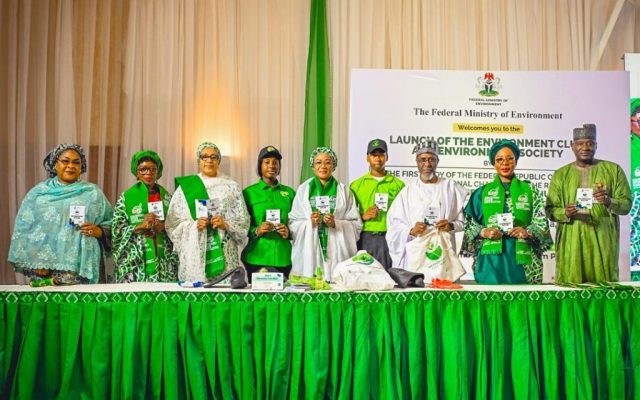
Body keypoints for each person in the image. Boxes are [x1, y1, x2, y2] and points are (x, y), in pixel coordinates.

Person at [8, 144, 113, 284]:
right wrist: (36, 260)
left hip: (83, 268)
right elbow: (25, 230)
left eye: (76, 162)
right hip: (46, 270)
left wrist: (99, 231)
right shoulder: (39, 194)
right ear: (55, 164)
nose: (71, 166)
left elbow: (113, 224)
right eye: (65, 161)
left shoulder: (93, 193)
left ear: (81, 167)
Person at [546, 124, 632, 284]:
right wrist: (565, 212)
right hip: (572, 241)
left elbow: (626, 205)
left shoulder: (613, 170)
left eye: (590, 143)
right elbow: (550, 210)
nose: (585, 147)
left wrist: (609, 201)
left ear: (596, 145)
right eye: (580, 143)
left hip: (603, 240)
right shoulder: (561, 174)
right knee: (572, 287)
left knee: (604, 287)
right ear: (572, 146)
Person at [461, 140, 552, 284]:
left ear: (516, 161)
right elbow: (468, 226)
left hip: (523, 260)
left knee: (523, 298)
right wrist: (484, 232)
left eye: (510, 159)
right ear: (493, 163)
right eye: (500, 160)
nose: (505, 163)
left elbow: (541, 222)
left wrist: (527, 232)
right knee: (491, 297)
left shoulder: (531, 191)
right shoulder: (481, 193)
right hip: (490, 260)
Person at [165, 142, 249, 282]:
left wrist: (225, 224)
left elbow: (243, 221)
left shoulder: (231, 187)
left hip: (225, 253)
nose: (209, 160)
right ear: (199, 160)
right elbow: (173, 223)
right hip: (197, 254)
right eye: (204, 157)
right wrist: (194, 225)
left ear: (219, 160)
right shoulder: (185, 189)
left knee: (225, 291)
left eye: (213, 157)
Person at [386, 140, 468, 269]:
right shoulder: (407, 192)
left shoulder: (451, 189)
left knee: (443, 281)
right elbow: (394, 226)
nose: (427, 164)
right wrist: (411, 231)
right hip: (417, 256)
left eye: (431, 159)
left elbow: (464, 223)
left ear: (437, 162)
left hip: (443, 257)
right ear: (417, 162)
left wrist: (451, 225)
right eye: (423, 160)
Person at [289, 147, 362, 281]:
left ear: (333, 166)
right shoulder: (303, 190)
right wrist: (309, 222)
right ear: (313, 166)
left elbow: (356, 224)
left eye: (327, 162)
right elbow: (293, 222)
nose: (323, 166)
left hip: (338, 252)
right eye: (318, 162)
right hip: (310, 252)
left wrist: (336, 223)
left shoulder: (344, 190)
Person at [112, 150, 179, 282]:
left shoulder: (167, 197)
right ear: (136, 172)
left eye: (153, 169)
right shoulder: (126, 198)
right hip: (136, 262)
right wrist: (139, 227)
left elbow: (178, 225)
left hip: (163, 261)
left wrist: (164, 226)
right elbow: (116, 232)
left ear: (158, 172)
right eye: (143, 169)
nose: (148, 172)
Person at [241, 146, 295, 280]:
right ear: (260, 166)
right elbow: (240, 224)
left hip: (283, 257)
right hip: (256, 256)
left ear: (279, 166)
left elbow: (297, 222)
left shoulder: (290, 193)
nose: (271, 165)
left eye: (275, 162)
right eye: (267, 162)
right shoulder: (248, 193)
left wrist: (289, 232)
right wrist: (256, 230)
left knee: (283, 293)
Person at [349, 139, 405, 269]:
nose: (378, 159)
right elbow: (348, 216)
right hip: (365, 237)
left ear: (387, 157)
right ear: (367, 158)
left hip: (389, 236)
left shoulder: (398, 185)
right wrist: (363, 216)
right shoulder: (356, 185)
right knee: (364, 274)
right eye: (374, 155)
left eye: (381, 155)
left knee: (388, 275)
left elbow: (404, 215)